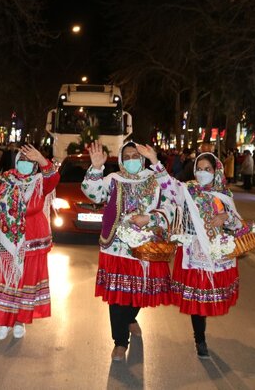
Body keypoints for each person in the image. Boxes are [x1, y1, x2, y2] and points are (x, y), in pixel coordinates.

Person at [140, 147, 245, 359]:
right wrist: (154, 160)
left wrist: (226, 217)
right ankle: (200, 339)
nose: (203, 172)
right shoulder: (187, 190)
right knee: (197, 301)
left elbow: (237, 223)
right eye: (199, 168)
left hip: (217, 253)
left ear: (216, 171)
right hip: (195, 253)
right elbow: (168, 185)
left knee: (209, 297)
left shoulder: (224, 194)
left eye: (207, 168)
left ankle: (201, 336)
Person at [82, 140, 172, 362]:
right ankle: (120, 342)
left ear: (142, 159)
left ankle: (131, 318)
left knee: (139, 292)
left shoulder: (153, 180)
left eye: (135, 156)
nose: (131, 159)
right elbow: (93, 194)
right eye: (127, 156)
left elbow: (172, 200)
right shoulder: (114, 179)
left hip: (145, 247)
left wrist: (150, 218)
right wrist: (95, 168)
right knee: (117, 296)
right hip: (116, 247)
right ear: (122, 160)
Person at [0, 144, 59, 340]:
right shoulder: (5, 181)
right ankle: (4, 320)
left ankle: (20, 321)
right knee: (6, 279)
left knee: (26, 280)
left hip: (32, 239)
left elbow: (53, 178)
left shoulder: (40, 182)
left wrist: (42, 160)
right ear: (16, 161)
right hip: (6, 238)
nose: (25, 165)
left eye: (30, 161)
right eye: (22, 160)